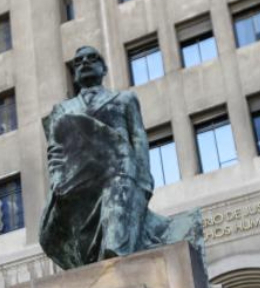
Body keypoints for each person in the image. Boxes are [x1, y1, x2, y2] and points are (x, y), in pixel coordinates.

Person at [38, 46, 165, 269]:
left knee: (117, 207)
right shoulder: (62, 109)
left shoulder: (124, 99)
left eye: (92, 58)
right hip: (78, 178)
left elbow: (138, 138)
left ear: (104, 68)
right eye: (78, 62)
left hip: (119, 170)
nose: (85, 63)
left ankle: (115, 252)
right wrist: (57, 180)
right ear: (74, 73)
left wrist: (144, 181)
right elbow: (56, 150)